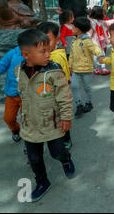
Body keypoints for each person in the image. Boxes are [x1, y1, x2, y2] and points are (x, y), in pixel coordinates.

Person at [15, 28, 75, 202]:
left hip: (52, 123)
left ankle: (66, 159)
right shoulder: (19, 71)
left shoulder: (54, 71)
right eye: (43, 51)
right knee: (34, 158)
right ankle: (42, 182)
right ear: (26, 54)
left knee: (57, 152)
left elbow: (65, 96)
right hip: (30, 125)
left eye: (49, 50)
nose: (48, 54)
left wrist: (66, 117)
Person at [36, 21, 73, 150]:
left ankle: (65, 139)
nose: (44, 44)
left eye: (48, 40)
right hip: (46, 93)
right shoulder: (47, 55)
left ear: (57, 40)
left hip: (57, 95)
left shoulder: (55, 58)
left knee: (60, 119)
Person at [69, 16, 105, 117]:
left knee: (87, 88)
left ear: (78, 29)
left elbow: (95, 48)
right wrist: (70, 66)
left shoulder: (87, 41)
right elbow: (71, 55)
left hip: (87, 69)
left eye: (73, 27)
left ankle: (88, 103)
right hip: (76, 70)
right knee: (74, 86)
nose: (72, 29)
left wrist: (100, 55)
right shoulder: (74, 41)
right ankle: (79, 105)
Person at [88, 6, 111, 75]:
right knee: (95, 56)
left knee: (102, 54)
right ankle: (96, 68)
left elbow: (109, 22)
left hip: (101, 41)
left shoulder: (102, 22)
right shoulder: (92, 23)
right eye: (104, 14)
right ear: (99, 14)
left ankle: (103, 68)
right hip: (94, 42)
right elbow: (89, 33)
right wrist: (88, 40)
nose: (105, 15)